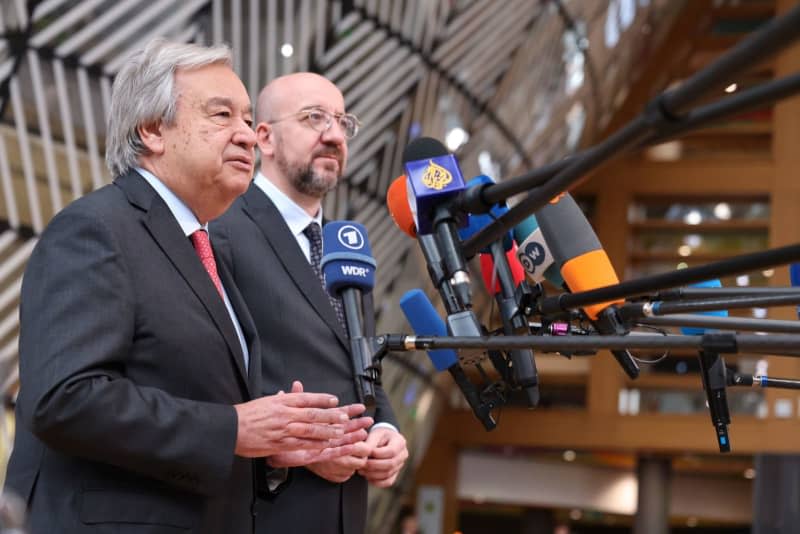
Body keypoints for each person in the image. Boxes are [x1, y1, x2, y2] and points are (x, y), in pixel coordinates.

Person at [3, 40, 372, 534]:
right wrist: (236, 428)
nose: (245, 135)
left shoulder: (204, 249)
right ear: (153, 130)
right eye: (222, 115)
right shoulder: (96, 229)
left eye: (247, 118)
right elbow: (64, 398)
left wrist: (272, 450)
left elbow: (197, 410)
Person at [212, 72, 409, 533]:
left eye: (343, 122)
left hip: (344, 514)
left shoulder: (347, 245)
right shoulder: (222, 230)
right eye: (314, 118)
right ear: (265, 137)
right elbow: (207, 376)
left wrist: (386, 431)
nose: (334, 135)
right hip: (260, 511)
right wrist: (296, 448)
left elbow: (360, 364)